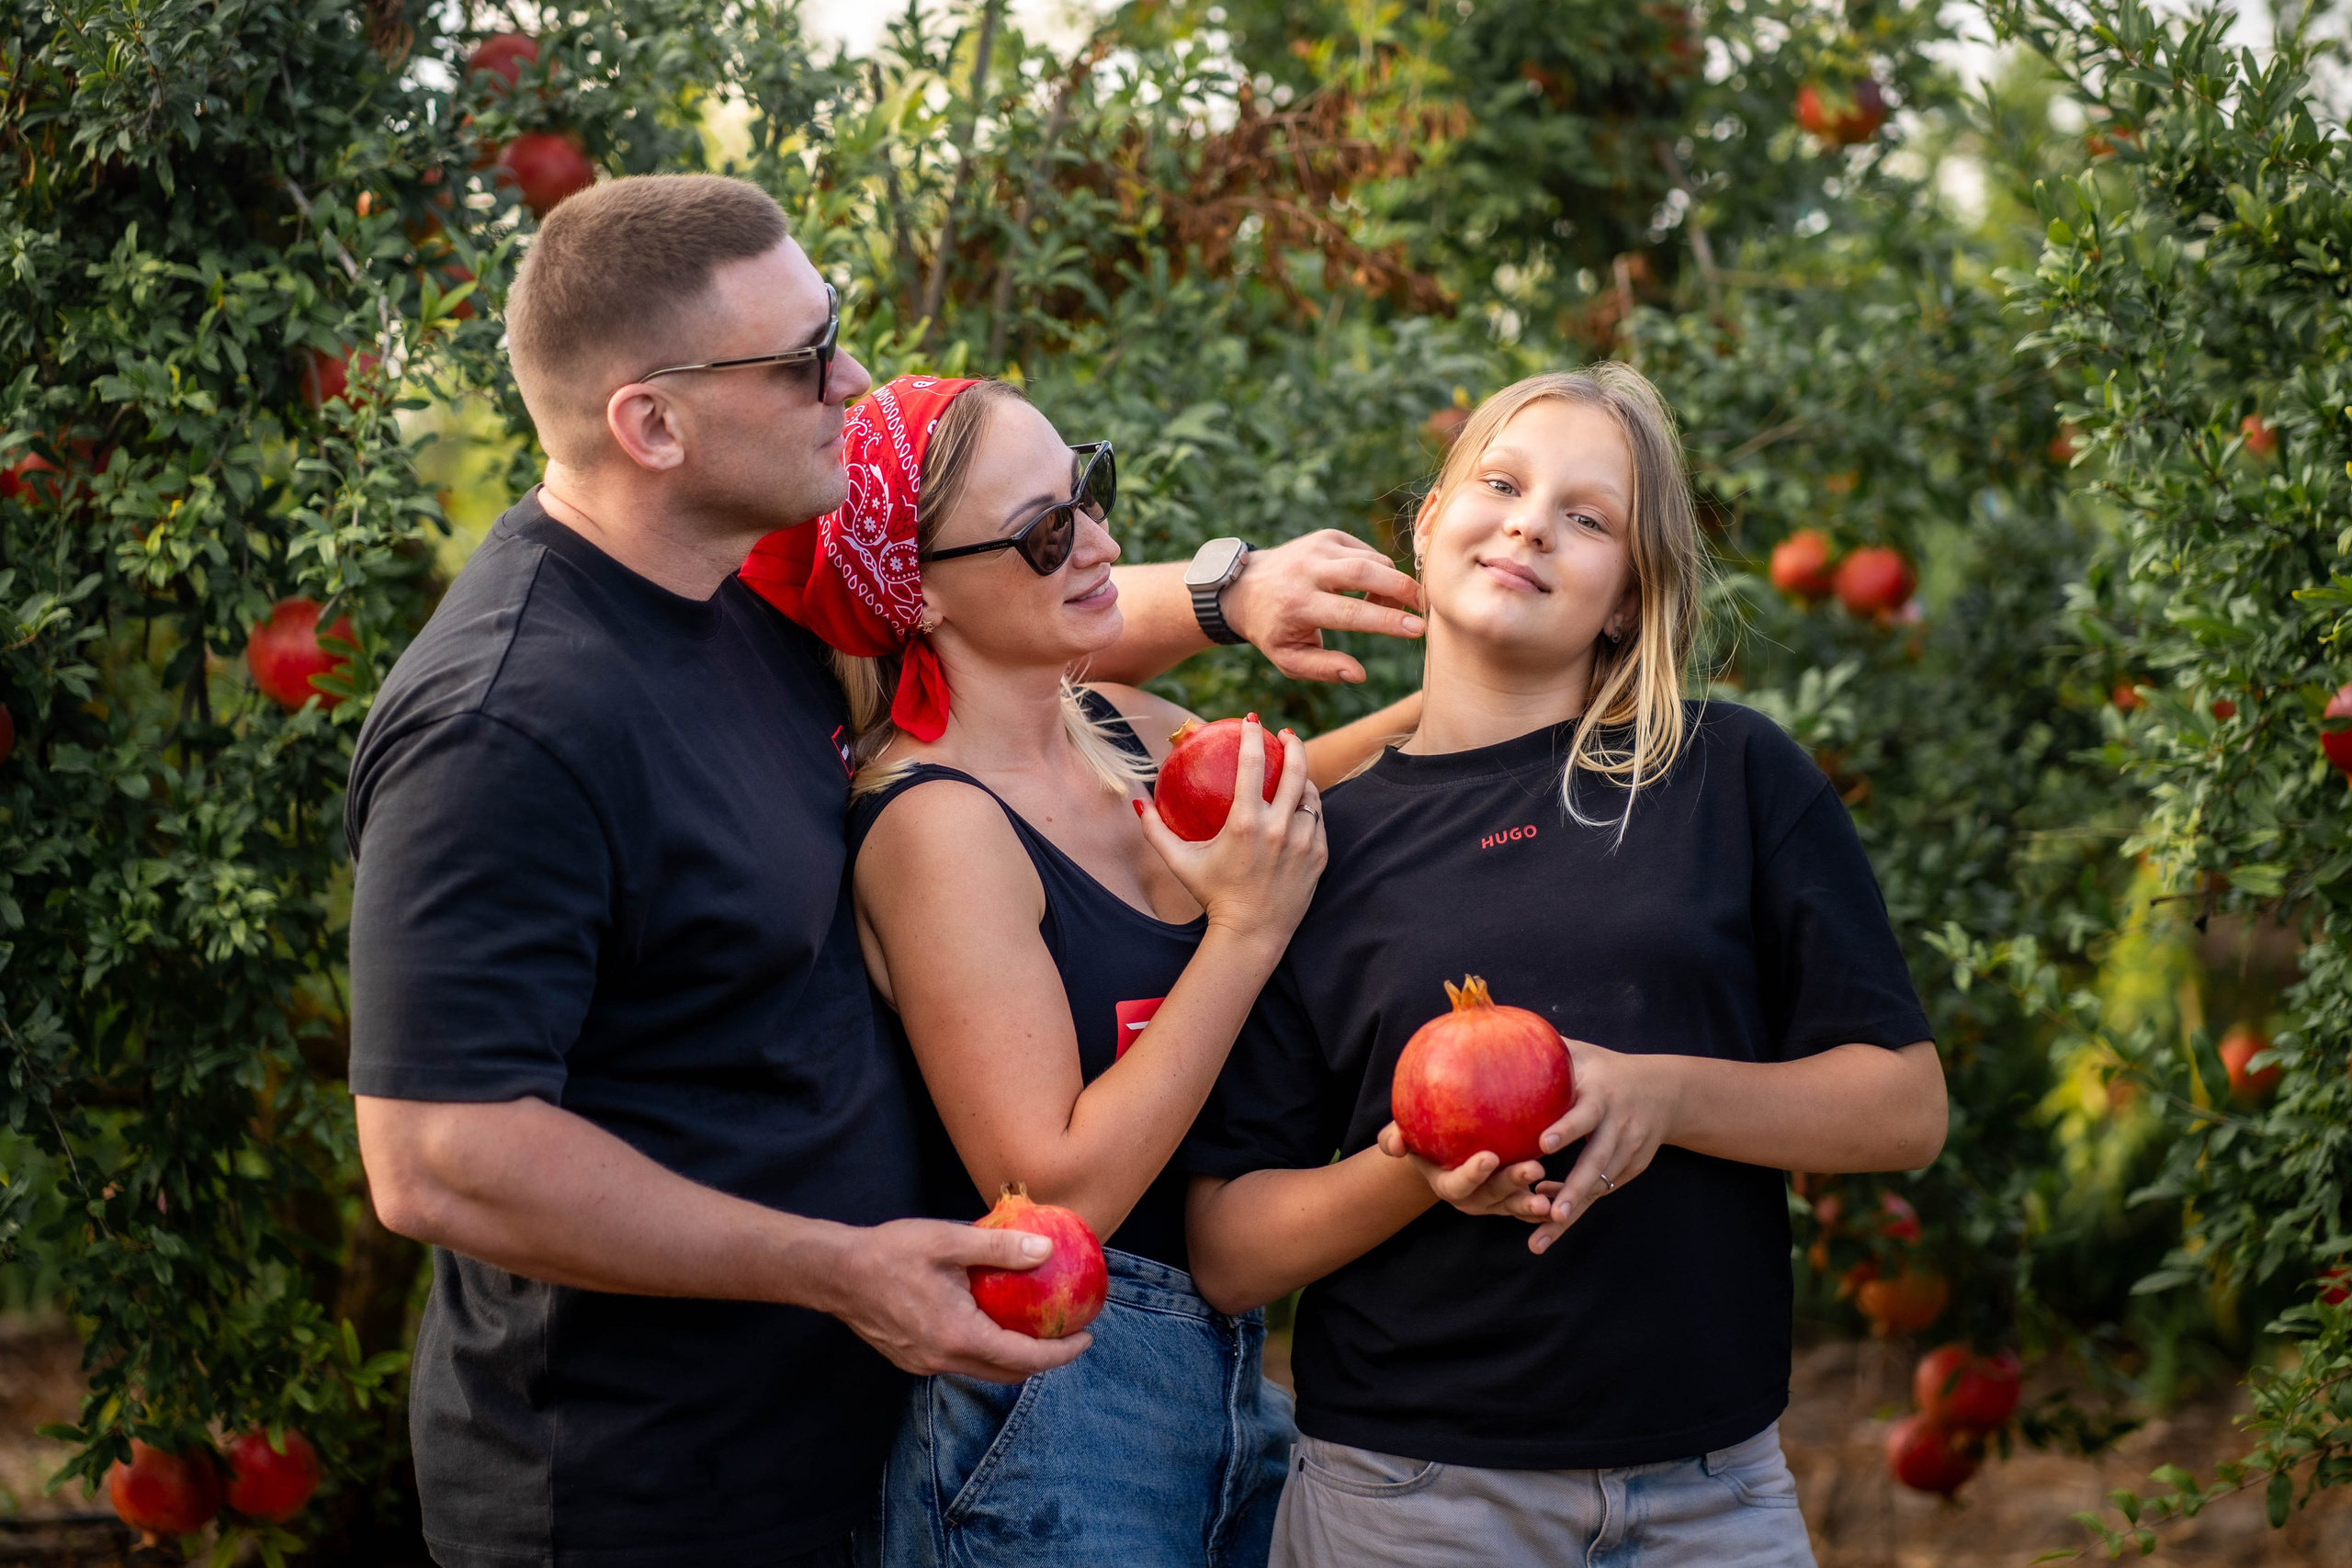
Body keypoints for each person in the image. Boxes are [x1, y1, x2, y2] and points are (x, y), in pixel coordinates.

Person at [345, 175, 1425, 1568]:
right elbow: (441, 1161)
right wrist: (836, 1268)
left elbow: (1004, 630)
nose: (849, 380)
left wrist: (1225, 595)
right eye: (803, 361)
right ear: (650, 423)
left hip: (862, 1442)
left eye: (833, 330)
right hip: (641, 1495)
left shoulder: (734, 607)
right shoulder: (510, 721)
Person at [1182, 366, 1950, 1568]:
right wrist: (1414, 1169)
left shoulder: (1731, 778)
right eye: (1501, 482)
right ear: (1430, 524)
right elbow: (1229, 1250)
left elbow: (1903, 1109)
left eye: (1589, 516)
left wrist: (1663, 1094)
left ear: (1629, 599)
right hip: (1410, 1498)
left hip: (1714, 1499)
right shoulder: (1314, 840)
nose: (1534, 520)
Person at [741, 374, 1417, 1568]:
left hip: (1221, 1366)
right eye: (1047, 532)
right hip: (1050, 1410)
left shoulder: (1116, 724)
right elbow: (1054, 1195)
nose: (1102, 543)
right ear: (924, 593)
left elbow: (1317, 797)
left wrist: (1495, 680)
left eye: (1087, 492)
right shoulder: (935, 828)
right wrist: (1245, 936)